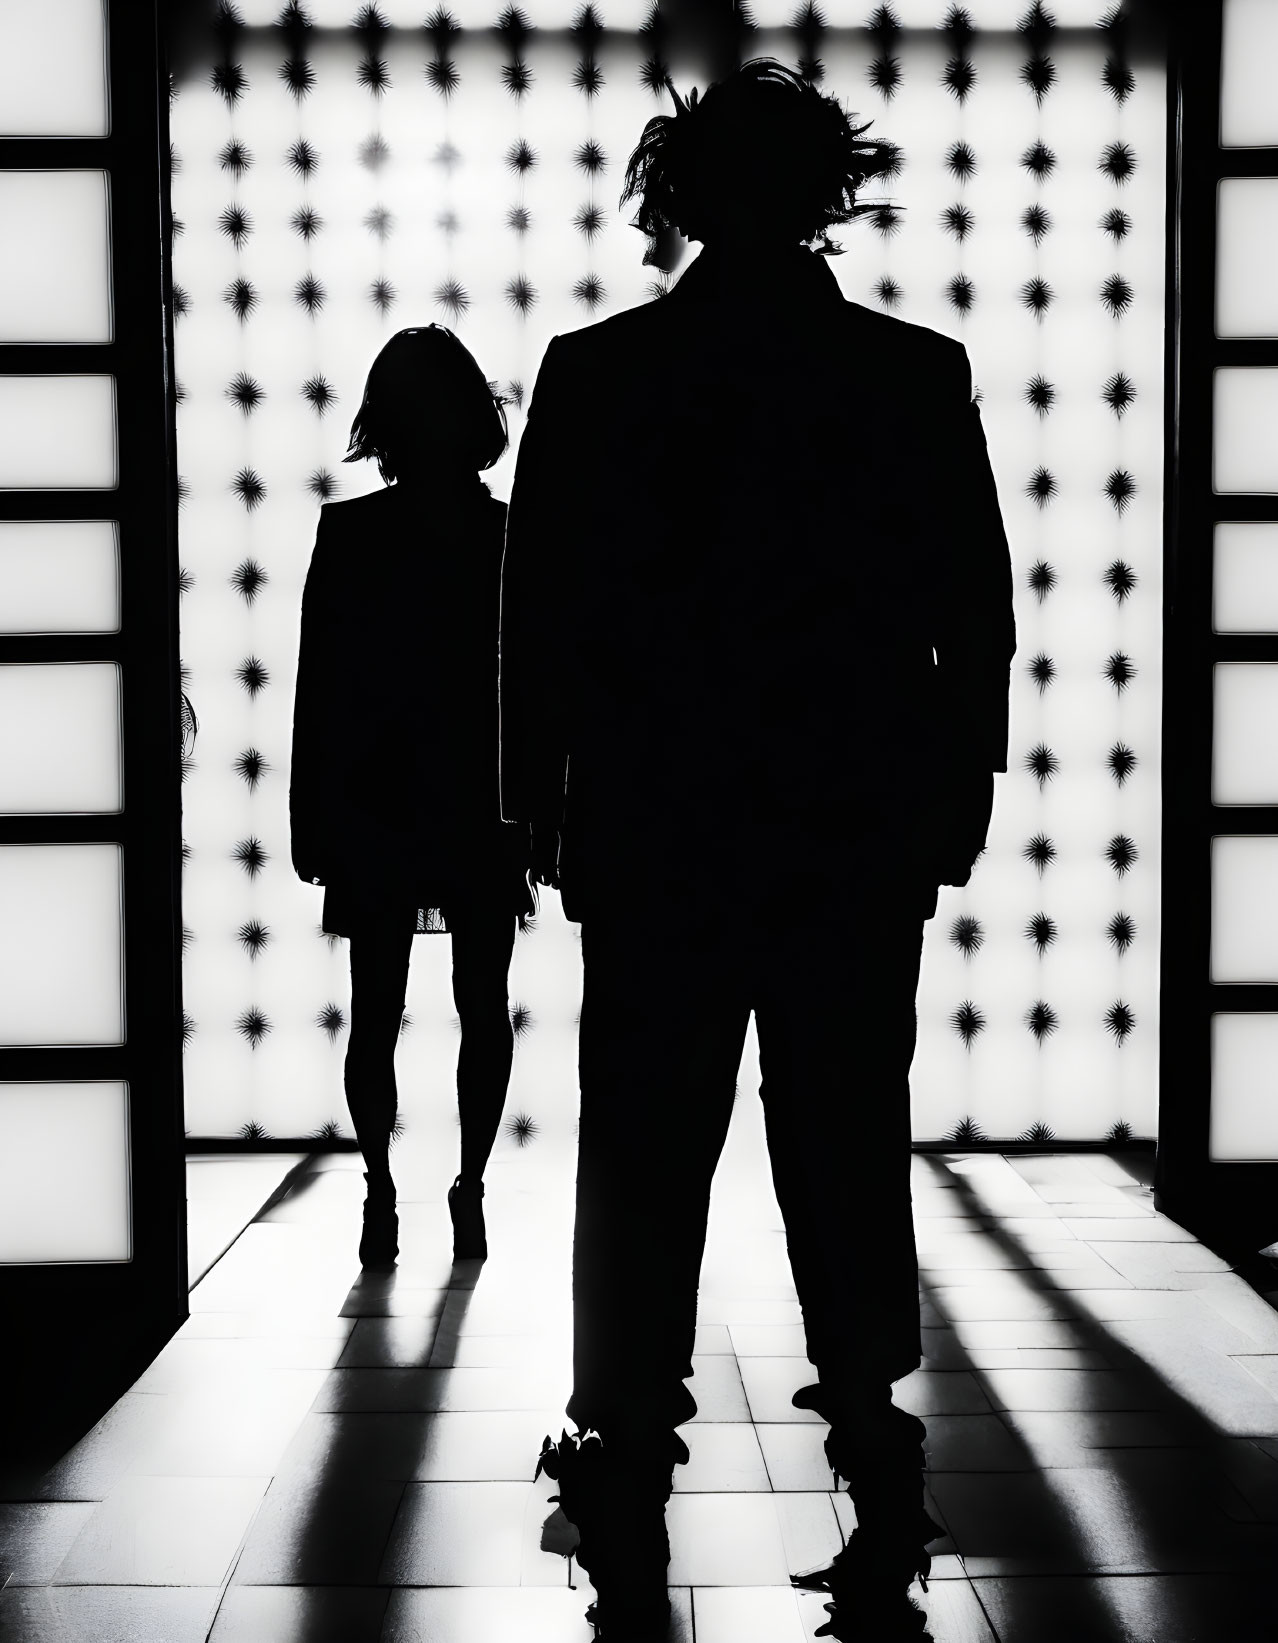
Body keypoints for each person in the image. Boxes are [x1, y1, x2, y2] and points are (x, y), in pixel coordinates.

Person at [501, 60, 1015, 1643]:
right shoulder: (911, 375)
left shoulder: (596, 374)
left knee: (643, 1140)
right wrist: (956, 790)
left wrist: (535, 796)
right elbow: (970, 614)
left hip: (657, 822)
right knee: (845, 1128)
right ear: (827, 192)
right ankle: (870, 1439)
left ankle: (627, 1450)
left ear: (677, 191)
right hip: (848, 820)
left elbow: (542, 615)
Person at [290, 325, 534, 1270]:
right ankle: (468, 1185)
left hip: (375, 801)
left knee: (374, 1008)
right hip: (482, 799)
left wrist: (312, 817)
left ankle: (379, 1193)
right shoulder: (506, 534)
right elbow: (534, 685)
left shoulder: (350, 534)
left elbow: (322, 687)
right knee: (485, 999)